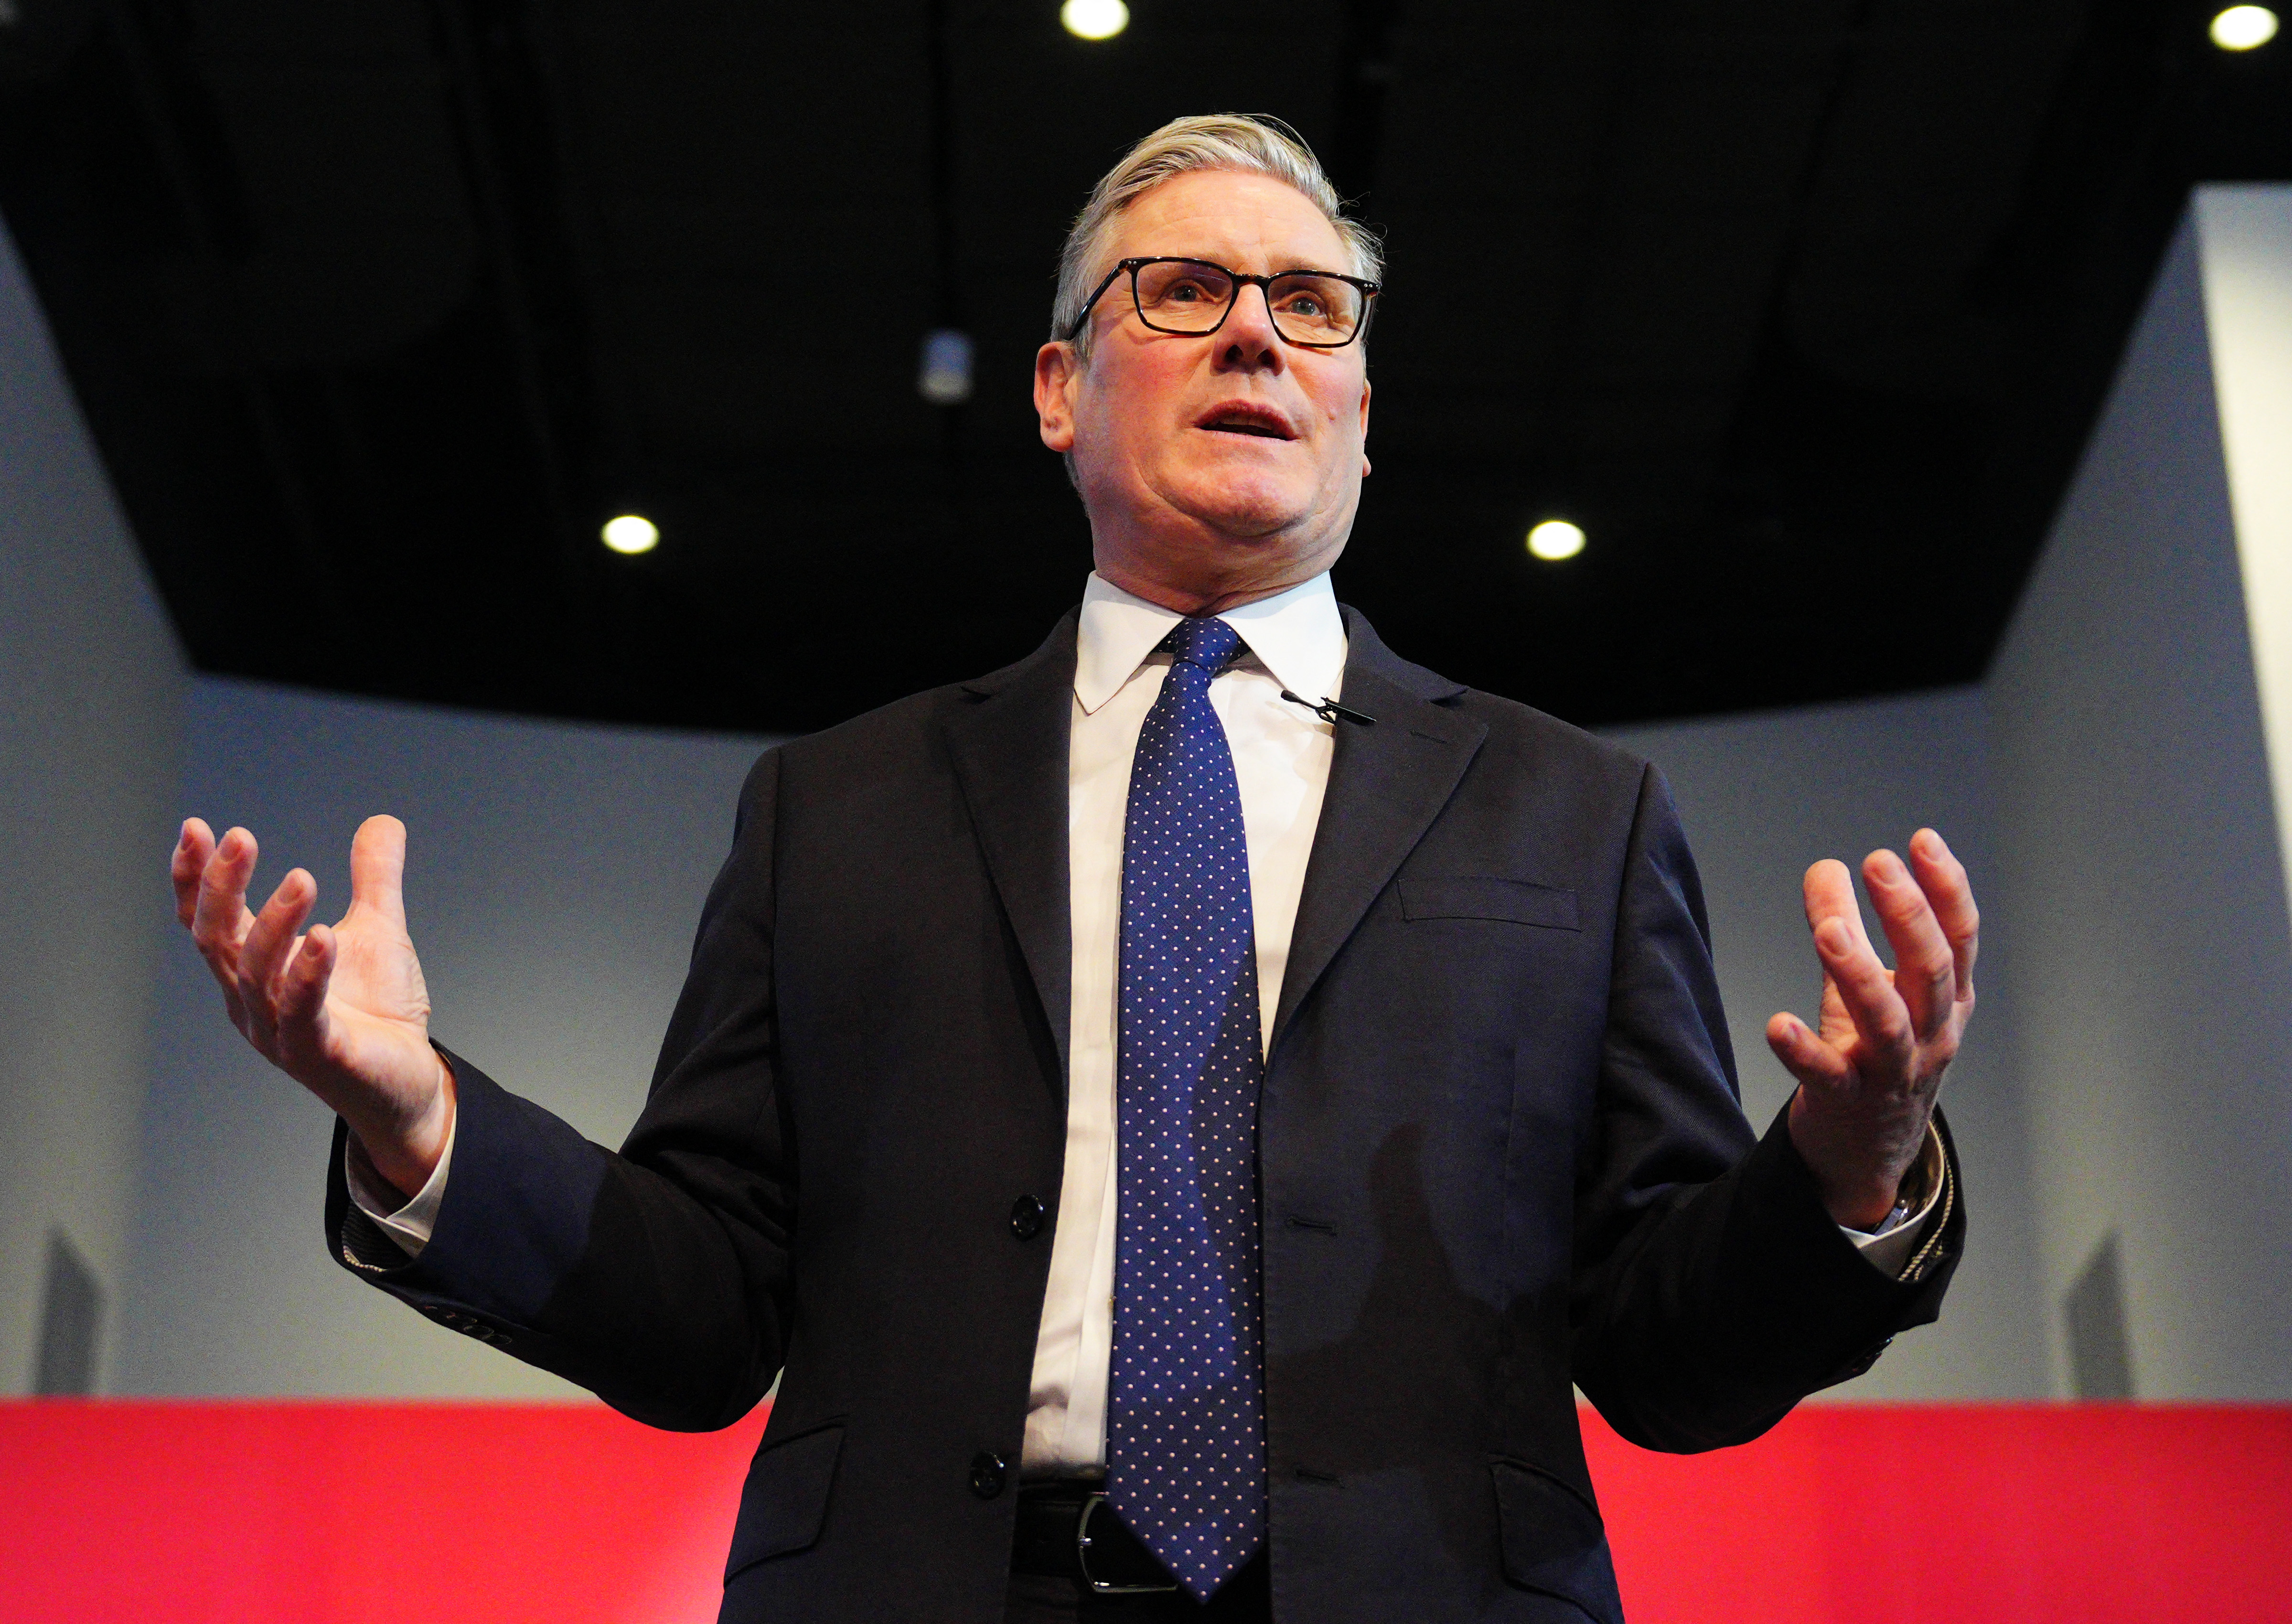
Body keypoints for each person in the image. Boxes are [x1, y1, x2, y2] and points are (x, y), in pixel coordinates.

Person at [170, 115, 1975, 1624]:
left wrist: (1850, 1164)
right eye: (1181, 291)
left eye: (1312, 305)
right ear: (1056, 386)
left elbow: (1668, 1358)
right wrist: (423, 1124)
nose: (1256, 335)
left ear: (1362, 404)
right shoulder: (839, 805)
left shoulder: (1572, 812)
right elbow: (705, 1308)